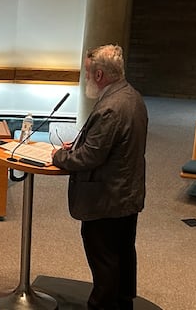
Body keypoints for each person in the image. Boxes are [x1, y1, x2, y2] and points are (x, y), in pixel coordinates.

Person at [51, 44, 148, 310]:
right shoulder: (132, 96)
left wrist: (59, 156)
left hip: (107, 198)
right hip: (126, 193)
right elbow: (112, 145)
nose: (85, 79)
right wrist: (81, 143)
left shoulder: (110, 108)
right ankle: (122, 302)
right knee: (123, 251)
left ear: (99, 75)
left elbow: (88, 158)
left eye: (87, 73)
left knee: (104, 258)